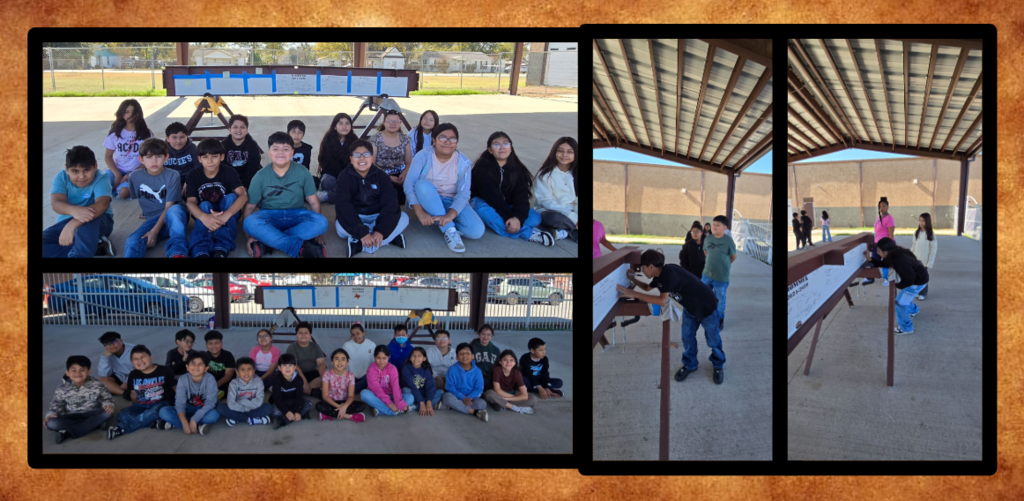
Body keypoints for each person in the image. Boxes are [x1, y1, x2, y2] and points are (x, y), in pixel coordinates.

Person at [618, 249, 724, 384]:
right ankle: (690, 364)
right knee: (687, 337)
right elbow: (646, 288)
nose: (642, 272)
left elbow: (662, 301)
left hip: (707, 307)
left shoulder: (669, 273)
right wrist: (633, 279)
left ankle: (718, 365)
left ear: (651, 266)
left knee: (713, 339)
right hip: (690, 308)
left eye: (643, 268)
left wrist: (634, 294)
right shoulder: (659, 277)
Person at [242, 131, 329, 258]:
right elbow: (249, 207)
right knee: (249, 223)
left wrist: (318, 233)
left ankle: (269, 240)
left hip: (296, 215)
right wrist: (248, 236)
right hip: (269, 216)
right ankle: (299, 246)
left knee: (321, 222)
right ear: (269, 153)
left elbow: (314, 202)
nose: (281, 153)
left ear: (292, 152)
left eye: (286, 149)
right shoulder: (260, 176)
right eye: (276, 149)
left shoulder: (303, 172)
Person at [403, 123, 485, 253]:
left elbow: (464, 193)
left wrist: (450, 215)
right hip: (427, 199)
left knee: (476, 231)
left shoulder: (464, 163)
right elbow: (409, 184)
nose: (447, 142)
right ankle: (449, 230)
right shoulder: (423, 155)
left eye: (452, 138)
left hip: (451, 200)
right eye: (442, 138)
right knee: (422, 184)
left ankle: (441, 219)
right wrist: (420, 212)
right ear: (434, 140)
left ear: (456, 142)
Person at [470, 131, 556, 245]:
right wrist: (509, 218)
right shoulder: (482, 167)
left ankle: (496, 222)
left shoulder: (518, 169)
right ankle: (529, 233)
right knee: (483, 211)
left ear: (510, 147)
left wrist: (517, 218)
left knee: (535, 218)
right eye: (496, 144)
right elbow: (492, 197)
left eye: (505, 143)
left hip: (507, 204)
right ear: (490, 150)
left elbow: (522, 197)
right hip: (482, 202)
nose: (502, 147)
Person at [328, 139, 409, 257]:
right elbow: (343, 205)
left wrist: (380, 230)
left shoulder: (382, 176)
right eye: (357, 155)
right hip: (357, 217)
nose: (361, 159)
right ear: (351, 159)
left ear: (372, 158)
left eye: (366, 155)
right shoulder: (344, 177)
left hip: (377, 216)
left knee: (404, 218)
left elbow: (390, 203)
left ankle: (360, 245)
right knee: (340, 229)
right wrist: (362, 232)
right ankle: (389, 238)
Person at [43, 146, 115, 258]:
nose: (81, 176)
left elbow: (102, 204)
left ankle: (80, 255)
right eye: (75, 171)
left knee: (85, 228)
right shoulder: (61, 177)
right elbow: (56, 203)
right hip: (65, 223)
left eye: (86, 170)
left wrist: (74, 223)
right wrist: (74, 211)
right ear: (67, 169)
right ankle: (95, 247)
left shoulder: (101, 178)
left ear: (95, 166)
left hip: (99, 219)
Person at [123, 138, 189, 258]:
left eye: (158, 156)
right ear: (141, 159)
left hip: (174, 216)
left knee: (174, 211)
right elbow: (142, 199)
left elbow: (169, 206)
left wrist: (154, 231)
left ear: (166, 157)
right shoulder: (134, 177)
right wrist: (147, 213)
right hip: (153, 218)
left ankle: (177, 253)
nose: (154, 161)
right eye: (149, 157)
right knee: (133, 241)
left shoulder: (172, 175)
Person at [184, 138, 248, 258]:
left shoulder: (229, 171)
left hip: (225, 211)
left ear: (222, 157)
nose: (210, 161)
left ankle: (221, 248)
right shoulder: (193, 175)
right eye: (205, 157)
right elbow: (190, 202)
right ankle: (200, 250)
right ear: (199, 159)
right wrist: (204, 217)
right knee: (204, 205)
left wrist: (226, 215)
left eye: (214, 156)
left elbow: (243, 195)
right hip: (206, 212)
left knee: (231, 197)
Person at [106, 345, 176, 439]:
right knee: (122, 415)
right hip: (142, 404)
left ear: (151, 357)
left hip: (162, 403)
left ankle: (122, 429)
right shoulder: (133, 374)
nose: (140, 361)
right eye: (136, 359)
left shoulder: (164, 370)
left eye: (143, 357)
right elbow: (133, 394)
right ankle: (155, 423)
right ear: (132, 362)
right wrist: (135, 407)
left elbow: (175, 387)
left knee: (154, 411)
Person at [865, 237, 929, 334]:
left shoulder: (899, 260)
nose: (878, 253)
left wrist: (898, 285)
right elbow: (884, 264)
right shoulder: (896, 252)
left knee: (900, 303)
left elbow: (909, 279)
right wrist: (870, 259)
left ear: (886, 252)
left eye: (879, 251)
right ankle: (913, 310)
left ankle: (906, 328)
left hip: (917, 282)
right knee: (905, 298)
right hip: (920, 278)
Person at [45, 356, 114, 444]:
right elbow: (56, 404)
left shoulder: (98, 385)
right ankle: (95, 424)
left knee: (107, 413)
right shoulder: (61, 389)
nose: (78, 373)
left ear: (89, 371)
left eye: (82, 370)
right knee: (51, 423)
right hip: (71, 416)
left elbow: (107, 398)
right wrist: (51, 414)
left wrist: (108, 404)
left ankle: (66, 432)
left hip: (92, 413)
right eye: (73, 370)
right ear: (67, 373)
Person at [157, 351, 220, 435]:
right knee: (163, 411)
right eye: (193, 363)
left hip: (204, 409)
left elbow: (210, 403)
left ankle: (176, 424)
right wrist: (184, 423)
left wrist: (194, 419)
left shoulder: (210, 379)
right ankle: (197, 426)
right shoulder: (183, 379)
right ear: (187, 367)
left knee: (214, 415)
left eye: (200, 364)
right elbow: (180, 403)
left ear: (206, 368)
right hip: (188, 408)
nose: (196, 367)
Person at [103, 99, 152, 199]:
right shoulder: (115, 134)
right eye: (127, 112)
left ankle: (123, 188)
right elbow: (108, 157)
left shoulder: (146, 134)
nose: (130, 115)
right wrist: (117, 174)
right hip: (118, 169)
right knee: (100, 184)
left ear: (139, 114)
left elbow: (150, 158)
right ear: (121, 114)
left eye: (134, 112)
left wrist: (131, 174)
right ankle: (117, 188)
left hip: (137, 171)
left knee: (123, 193)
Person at [533, 137, 578, 242]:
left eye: (570, 152)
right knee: (553, 218)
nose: (564, 155)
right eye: (560, 151)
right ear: (554, 152)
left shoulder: (576, 174)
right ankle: (572, 231)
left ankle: (565, 232)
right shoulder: (545, 174)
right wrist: (572, 217)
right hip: (550, 211)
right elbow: (546, 201)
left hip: (572, 212)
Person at [215, 357, 275, 426]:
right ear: (237, 372)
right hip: (241, 408)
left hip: (251, 408)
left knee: (268, 408)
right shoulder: (233, 383)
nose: (246, 372)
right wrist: (245, 409)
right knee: (221, 408)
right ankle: (252, 420)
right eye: (242, 370)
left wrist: (242, 402)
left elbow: (259, 402)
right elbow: (231, 403)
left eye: (249, 369)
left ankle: (236, 418)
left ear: (254, 371)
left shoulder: (258, 381)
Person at [371, 109, 413, 206]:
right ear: (384, 122)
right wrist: (388, 177)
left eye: (396, 121)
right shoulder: (375, 139)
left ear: (400, 123)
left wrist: (404, 173)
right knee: (385, 197)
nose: (393, 124)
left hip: (401, 174)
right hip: (381, 173)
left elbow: (408, 161)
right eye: (389, 121)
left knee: (404, 197)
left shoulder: (405, 139)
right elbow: (372, 163)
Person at [702, 215, 737, 330]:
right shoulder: (708, 239)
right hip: (707, 275)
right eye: (713, 224)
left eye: (718, 225)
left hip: (721, 277)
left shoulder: (728, 241)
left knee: (720, 300)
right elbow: (706, 252)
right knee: (703, 295)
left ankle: (719, 319)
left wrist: (724, 266)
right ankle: (705, 315)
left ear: (724, 228)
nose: (714, 227)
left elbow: (733, 256)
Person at [360, 345, 414, 417]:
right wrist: (390, 403)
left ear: (389, 357)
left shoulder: (392, 368)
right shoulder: (371, 369)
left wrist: (399, 403)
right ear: (374, 357)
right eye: (378, 358)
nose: (381, 361)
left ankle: (380, 410)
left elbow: (395, 387)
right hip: (377, 396)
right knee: (364, 394)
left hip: (392, 395)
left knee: (410, 397)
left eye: (384, 358)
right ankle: (392, 412)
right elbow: (376, 389)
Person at [315, 112, 359, 202]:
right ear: (335, 126)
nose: (344, 126)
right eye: (341, 123)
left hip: (349, 174)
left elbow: (355, 161)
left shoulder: (355, 140)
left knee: (356, 183)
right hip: (331, 175)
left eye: (347, 123)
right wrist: (342, 178)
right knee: (327, 182)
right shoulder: (328, 139)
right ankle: (348, 194)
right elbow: (326, 162)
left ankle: (327, 196)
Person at [315, 349, 367, 422]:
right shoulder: (327, 374)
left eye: (343, 359)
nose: (340, 362)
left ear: (347, 362)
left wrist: (344, 406)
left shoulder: (350, 375)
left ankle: (328, 414)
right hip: (331, 402)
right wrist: (339, 407)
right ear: (332, 362)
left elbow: (351, 396)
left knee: (362, 405)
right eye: (337, 359)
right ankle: (348, 416)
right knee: (319, 405)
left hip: (345, 401)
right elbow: (325, 396)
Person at [442, 343, 488, 422]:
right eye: (461, 354)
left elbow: (478, 388)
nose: (464, 356)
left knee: (482, 404)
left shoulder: (477, 371)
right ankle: (474, 412)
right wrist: (463, 398)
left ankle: (453, 407)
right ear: (457, 358)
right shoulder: (452, 369)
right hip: (456, 396)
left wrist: (468, 398)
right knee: (446, 397)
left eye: (467, 353)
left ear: (473, 356)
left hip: (471, 398)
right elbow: (449, 387)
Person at [484, 349, 537, 414]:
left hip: (511, 394)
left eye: (511, 360)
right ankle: (516, 408)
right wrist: (517, 398)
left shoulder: (517, 373)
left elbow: (525, 396)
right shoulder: (497, 370)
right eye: (505, 360)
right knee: (489, 394)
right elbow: (497, 390)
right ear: (500, 361)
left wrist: (507, 399)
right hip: (498, 394)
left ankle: (502, 404)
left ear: (515, 362)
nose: (508, 362)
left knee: (533, 399)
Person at [269, 353, 313, 429]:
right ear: (279, 368)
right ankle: (296, 415)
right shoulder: (276, 379)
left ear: (295, 367)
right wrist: (286, 412)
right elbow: (277, 398)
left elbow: (299, 397)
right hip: (282, 402)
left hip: (293, 402)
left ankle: (284, 421)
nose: (287, 368)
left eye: (290, 365)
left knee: (308, 403)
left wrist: (298, 411)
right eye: (284, 365)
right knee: (272, 410)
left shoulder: (299, 379)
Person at [285, 321, 327, 399]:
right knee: (287, 379)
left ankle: (303, 390)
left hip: (312, 374)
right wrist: (304, 381)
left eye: (306, 333)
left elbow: (321, 364)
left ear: (310, 335)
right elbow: (294, 366)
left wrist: (325, 379)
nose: (303, 335)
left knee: (326, 378)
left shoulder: (315, 346)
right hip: (297, 374)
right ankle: (312, 391)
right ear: (296, 335)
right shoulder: (292, 347)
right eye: (300, 333)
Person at [222, 114, 263, 191]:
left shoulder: (252, 145)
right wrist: (233, 185)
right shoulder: (223, 145)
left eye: (242, 127)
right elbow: (223, 167)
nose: (238, 130)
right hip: (229, 181)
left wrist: (244, 186)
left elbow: (253, 167)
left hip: (249, 179)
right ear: (230, 130)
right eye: (235, 127)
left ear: (247, 130)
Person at [400, 347, 444, 416]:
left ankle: (416, 406)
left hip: (422, 392)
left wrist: (429, 403)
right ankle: (424, 405)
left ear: (424, 358)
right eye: (414, 356)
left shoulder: (426, 369)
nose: (416, 358)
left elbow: (430, 386)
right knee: (406, 390)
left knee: (440, 392)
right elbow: (412, 387)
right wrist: (421, 402)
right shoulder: (406, 368)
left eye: (419, 356)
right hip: (412, 392)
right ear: (410, 358)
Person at [863, 197, 896, 286]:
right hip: (877, 243)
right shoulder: (879, 216)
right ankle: (870, 277)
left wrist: (889, 247)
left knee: (887, 262)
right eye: (880, 206)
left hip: (885, 244)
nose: (882, 208)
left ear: (888, 207)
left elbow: (891, 234)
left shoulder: (889, 218)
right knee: (874, 259)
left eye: (884, 206)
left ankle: (888, 278)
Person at [163, 122, 201, 191]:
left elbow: (198, 167)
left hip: (189, 178)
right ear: (167, 138)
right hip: (170, 180)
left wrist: (190, 181)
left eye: (182, 137)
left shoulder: (192, 148)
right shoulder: (162, 150)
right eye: (174, 137)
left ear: (187, 137)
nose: (178, 141)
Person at [95, 331, 135, 399]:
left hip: (136, 377)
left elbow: (141, 369)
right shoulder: (107, 355)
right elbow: (104, 374)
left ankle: (126, 391)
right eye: (107, 344)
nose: (111, 346)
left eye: (114, 342)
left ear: (121, 341)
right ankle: (125, 394)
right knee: (102, 380)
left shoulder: (134, 350)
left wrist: (128, 381)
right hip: (120, 378)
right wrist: (105, 358)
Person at [342, 322, 376, 394]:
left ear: (363, 333)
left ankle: (348, 390)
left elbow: (374, 363)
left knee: (370, 378)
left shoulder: (371, 345)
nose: (356, 337)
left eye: (358, 333)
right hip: (351, 376)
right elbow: (342, 363)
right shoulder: (347, 345)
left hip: (366, 376)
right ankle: (353, 389)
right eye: (353, 335)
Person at [911, 213, 938, 300]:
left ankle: (923, 293)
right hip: (916, 260)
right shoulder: (916, 233)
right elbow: (914, 246)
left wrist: (930, 263)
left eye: (923, 221)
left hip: (924, 261)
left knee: (923, 278)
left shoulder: (930, 234)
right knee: (915, 277)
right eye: (920, 220)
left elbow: (933, 250)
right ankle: (917, 292)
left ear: (927, 222)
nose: (921, 223)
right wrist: (910, 257)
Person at [203, 330, 236, 400]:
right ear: (206, 346)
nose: (214, 346)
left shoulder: (228, 355)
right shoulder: (204, 356)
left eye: (216, 343)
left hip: (224, 382)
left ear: (221, 344)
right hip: (210, 383)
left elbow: (228, 375)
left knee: (231, 388)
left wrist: (215, 386)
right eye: (210, 343)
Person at [470, 324, 501, 391]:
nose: (485, 337)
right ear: (479, 334)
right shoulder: (472, 348)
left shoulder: (496, 350)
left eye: (488, 335)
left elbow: (498, 366)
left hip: (491, 376)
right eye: (483, 334)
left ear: (492, 336)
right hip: (477, 377)